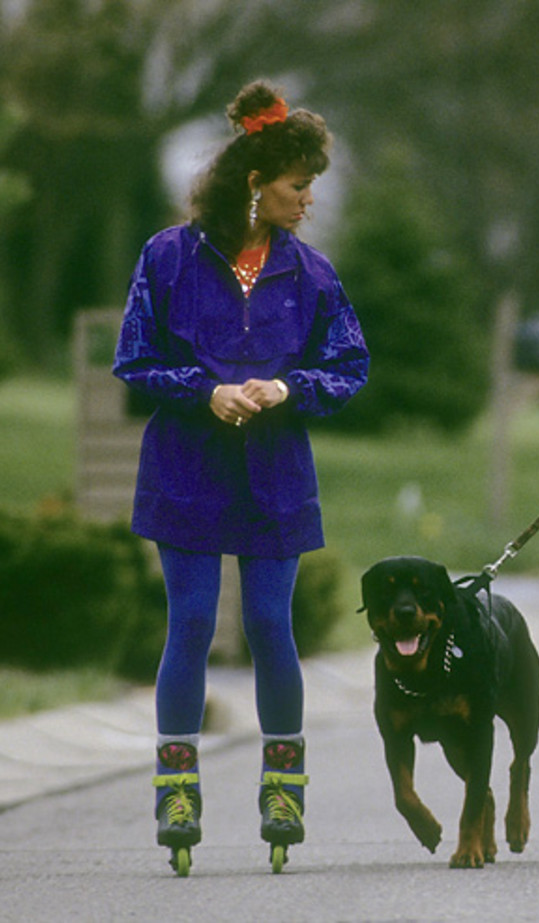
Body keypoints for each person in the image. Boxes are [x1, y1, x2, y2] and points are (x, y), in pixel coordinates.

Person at [113, 81, 369, 873]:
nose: (308, 201)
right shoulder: (167, 258)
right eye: (299, 186)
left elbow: (350, 365)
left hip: (275, 473)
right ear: (256, 183)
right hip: (186, 466)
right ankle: (177, 788)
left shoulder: (313, 274)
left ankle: (283, 787)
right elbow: (134, 360)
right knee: (191, 622)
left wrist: (289, 388)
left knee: (268, 624)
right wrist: (206, 391)